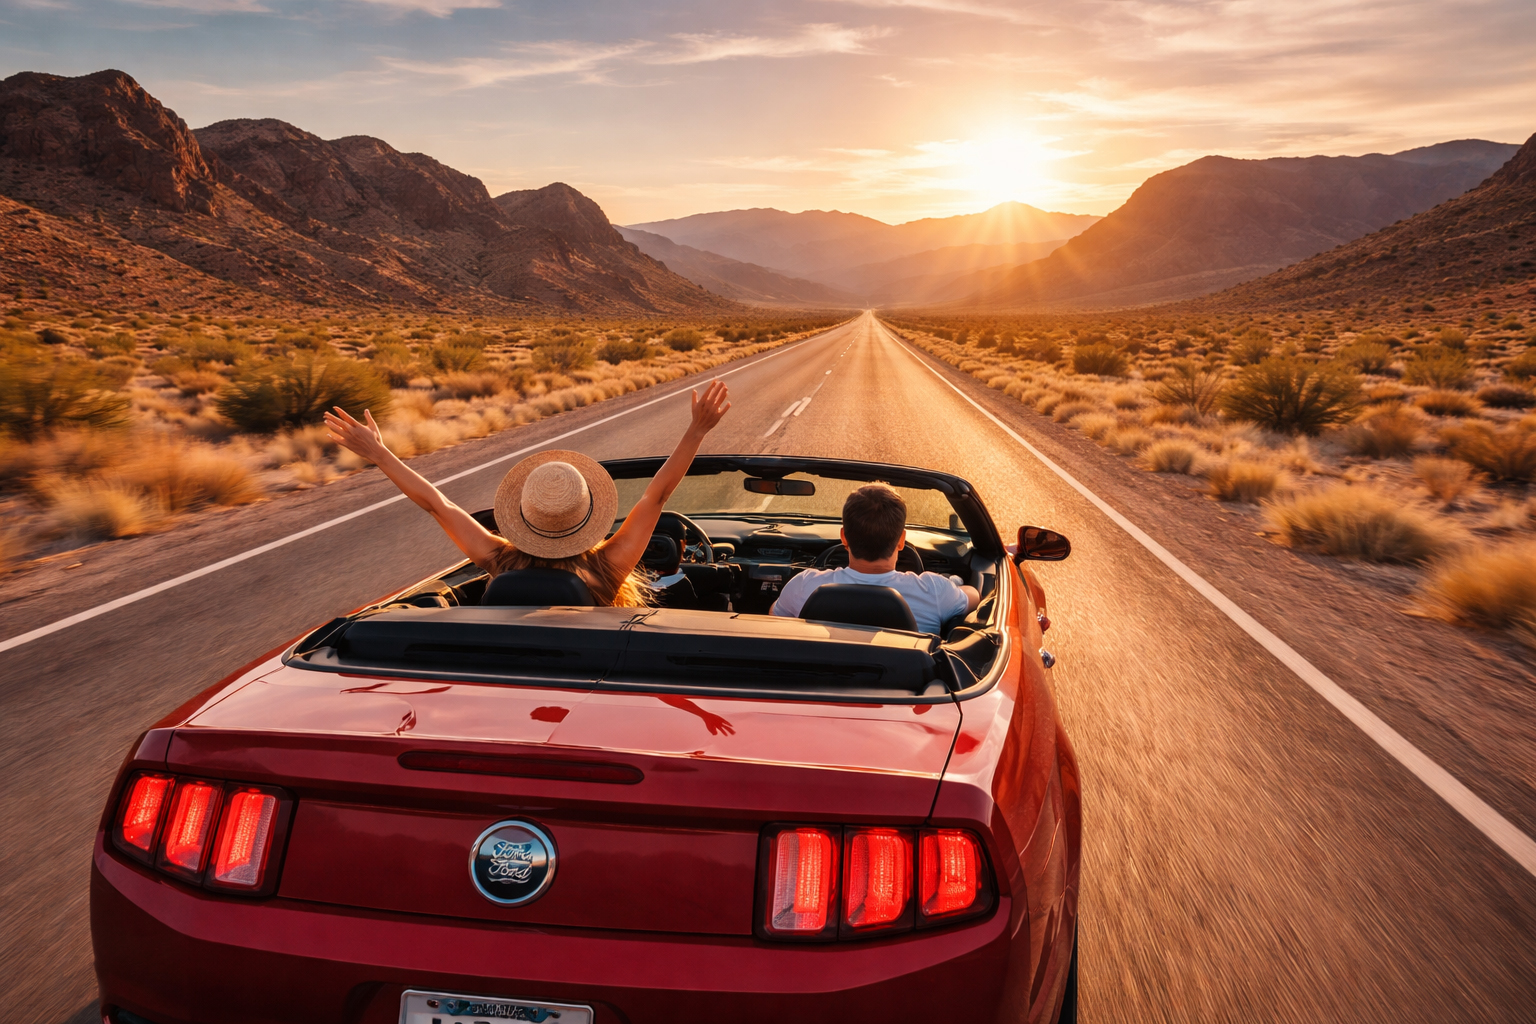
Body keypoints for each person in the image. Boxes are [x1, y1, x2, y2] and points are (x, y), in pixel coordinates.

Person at [322, 379, 731, 607]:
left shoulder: (500, 560)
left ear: (524, 516)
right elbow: (656, 497)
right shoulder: (606, 569)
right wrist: (697, 430)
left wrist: (380, 454)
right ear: (587, 517)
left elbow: (437, 504)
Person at [771, 484, 980, 634]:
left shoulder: (804, 585)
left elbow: (774, 618)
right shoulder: (934, 590)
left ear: (844, 537)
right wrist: (952, 584)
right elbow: (974, 595)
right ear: (901, 541)